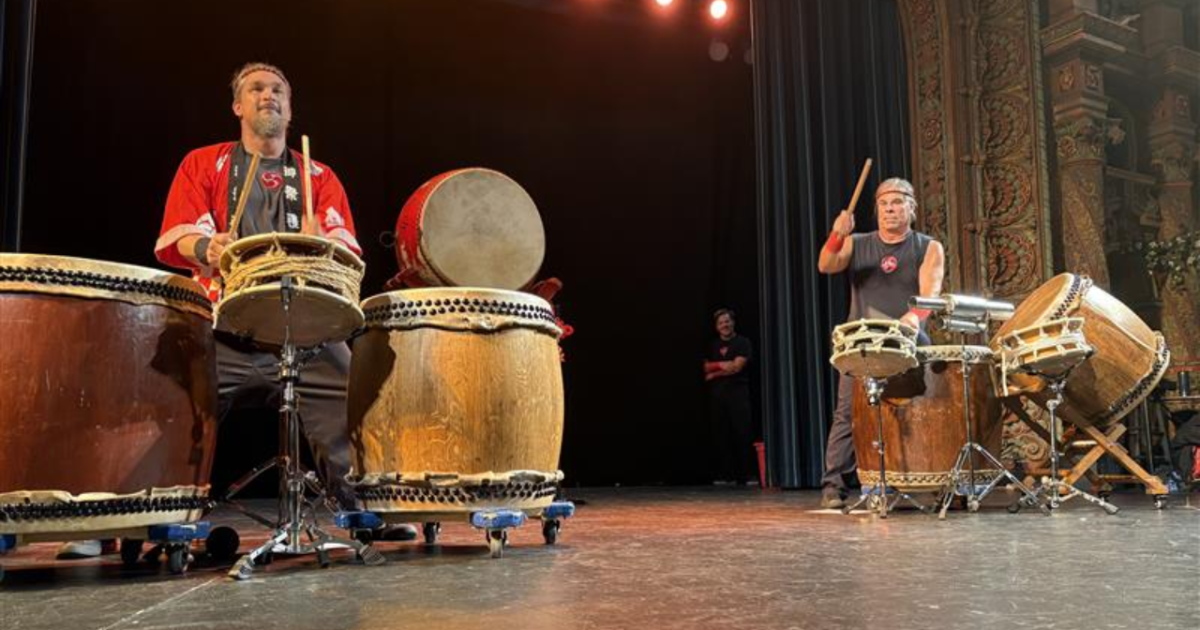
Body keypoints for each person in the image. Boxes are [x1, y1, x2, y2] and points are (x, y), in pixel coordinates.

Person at [152, 62, 413, 541]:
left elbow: (346, 250)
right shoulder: (204, 163)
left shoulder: (318, 176)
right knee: (166, 401)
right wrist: (209, 247)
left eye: (277, 90)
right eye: (255, 88)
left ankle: (369, 511)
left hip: (305, 331)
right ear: (238, 106)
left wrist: (323, 244)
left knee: (354, 394)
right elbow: (179, 235)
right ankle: (138, 515)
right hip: (225, 328)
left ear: (290, 110)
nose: (267, 95)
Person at [815, 177, 945, 508]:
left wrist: (912, 319)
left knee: (920, 409)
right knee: (848, 413)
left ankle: (928, 481)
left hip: (907, 340)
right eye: (884, 203)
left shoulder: (927, 246)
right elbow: (826, 264)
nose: (890, 209)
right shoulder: (857, 243)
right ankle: (833, 487)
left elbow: (930, 294)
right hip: (862, 343)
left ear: (912, 208)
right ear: (876, 210)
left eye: (897, 202)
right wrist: (837, 235)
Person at [704, 308, 755, 485]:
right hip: (717, 396)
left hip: (738, 394)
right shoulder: (712, 345)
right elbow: (704, 368)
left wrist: (714, 372)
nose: (724, 325)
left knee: (742, 433)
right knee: (721, 435)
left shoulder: (743, 342)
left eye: (727, 321)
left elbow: (736, 367)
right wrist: (721, 365)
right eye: (721, 323)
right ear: (716, 327)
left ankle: (746, 475)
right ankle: (726, 475)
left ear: (733, 322)